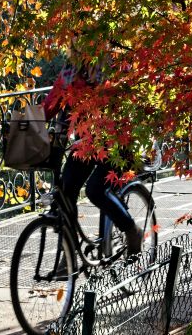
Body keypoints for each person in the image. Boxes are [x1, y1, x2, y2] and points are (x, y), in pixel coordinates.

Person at [42, 62, 143, 258]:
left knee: (95, 189)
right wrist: (24, 121)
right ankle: (69, 253)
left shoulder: (115, 64)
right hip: (87, 144)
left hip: (117, 143)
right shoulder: (71, 70)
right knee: (67, 188)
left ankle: (132, 230)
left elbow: (130, 105)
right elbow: (50, 105)